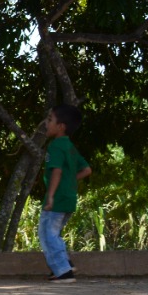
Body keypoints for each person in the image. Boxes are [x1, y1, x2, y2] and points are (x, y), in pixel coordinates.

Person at [39, 105, 91, 283]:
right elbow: (87, 170)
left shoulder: (56, 146)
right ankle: (64, 263)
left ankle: (63, 272)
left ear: (61, 126)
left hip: (57, 199)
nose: (46, 123)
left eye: (50, 120)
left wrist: (51, 195)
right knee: (53, 233)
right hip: (69, 198)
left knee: (47, 233)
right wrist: (70, 182)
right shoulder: (70, 147)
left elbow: (57, 171)